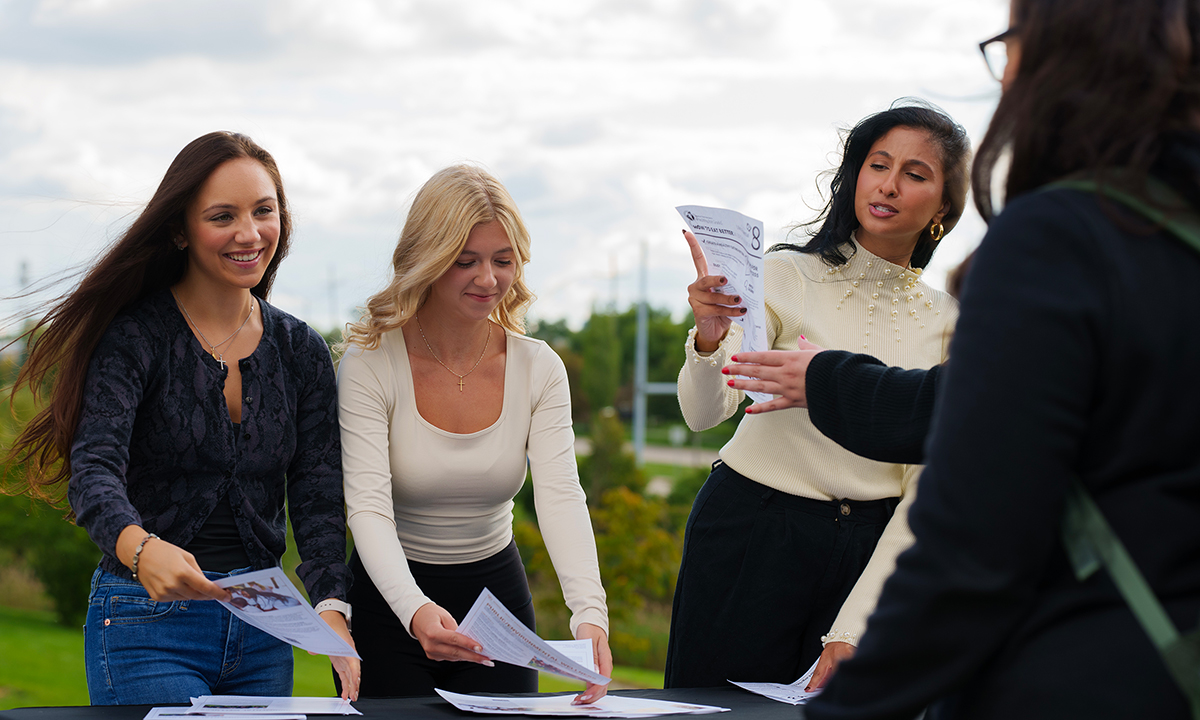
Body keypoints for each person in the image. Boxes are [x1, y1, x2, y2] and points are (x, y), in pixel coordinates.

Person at [805, 0, 1200, 717]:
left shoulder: (1061, 239)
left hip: (1082, 679)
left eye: (1013, 39)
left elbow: (972, 554)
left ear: (1064, 56)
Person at [3, 131, 358, 704]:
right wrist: (140, 547)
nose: (249, 233)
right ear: (179, 230)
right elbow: (94, 470)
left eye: (263, 211)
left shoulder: (302, 350)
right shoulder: (135, 338)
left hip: (265, 628)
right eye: (223, 216)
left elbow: (318, 494)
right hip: (145, 623)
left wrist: (331, 608)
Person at [667, 100, 971, 690]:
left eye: (915, 174)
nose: (888, 184)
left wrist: (852, 629)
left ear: (942, 208)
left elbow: (927, 493)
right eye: (878, 164)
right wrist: (708, 339)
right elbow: (703, 414)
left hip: (872, 550)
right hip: (751, 533)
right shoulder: (784, 274)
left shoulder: (953, 325)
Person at [337, 164, 611, 701]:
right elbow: (366, 507)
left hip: (497, 603)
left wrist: (590, 615)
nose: (488, 279)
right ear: (427, 260)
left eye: (502, 261)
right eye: (466, 261)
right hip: (387, 603)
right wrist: (414, 610)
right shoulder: (368, 364)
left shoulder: (540, 367)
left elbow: (560, 496)